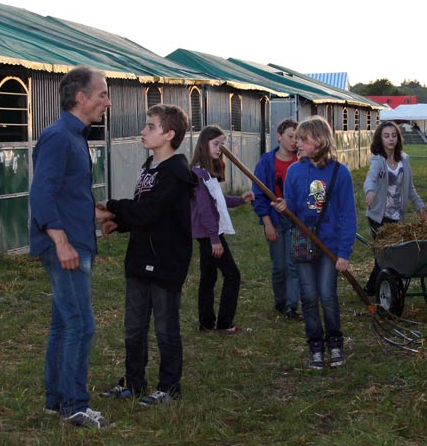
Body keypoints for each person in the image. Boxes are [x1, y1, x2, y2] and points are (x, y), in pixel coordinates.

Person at [29, 67, 115, 428]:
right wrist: (61, 241)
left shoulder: (75, 135)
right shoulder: (59, 136)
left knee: (64, 324)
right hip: (66, 247)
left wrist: (94, 213)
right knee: (81, 324)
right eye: (102, 95)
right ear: (81, 98)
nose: (107, 103)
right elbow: (41, 193)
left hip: (76, 239)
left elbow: (64, 191)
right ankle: (75, 406)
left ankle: (56, 399)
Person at [98, 104, 196, 407]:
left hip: (166, 262)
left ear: (169, 134)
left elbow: (152, 210)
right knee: (134, 327)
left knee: (166, 328)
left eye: (150, 126)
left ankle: (168, 388)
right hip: (139, 260)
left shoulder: (177, 173)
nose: (143, 131)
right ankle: (133, 382)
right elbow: (145, 212)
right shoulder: (149, 168)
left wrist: (112, 206)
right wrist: (122, 223)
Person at [272, 116, 356, 369]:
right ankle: (315, 345)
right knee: (308, 296)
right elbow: (293, 211)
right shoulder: (295, 171)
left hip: (330, 246)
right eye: (296, 138)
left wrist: (344, 252)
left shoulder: (340, 173)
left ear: (319, 140)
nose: (297, 142)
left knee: (327, 295)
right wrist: (284, 208)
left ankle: (335, 342)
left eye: (303, 138)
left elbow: (348, 214)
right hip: (304, 243)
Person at [190, 125, 255, 333]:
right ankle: (224, 323)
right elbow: (204, 209)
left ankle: (206, 322)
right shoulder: (198, 174)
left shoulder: (207, 173)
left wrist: (240, 200)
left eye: (222, 144)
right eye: (216, 144)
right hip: (209, 234)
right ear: (204, 144)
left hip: (206, 233)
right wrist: (214, 239)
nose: (220, 148)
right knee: (232, 275)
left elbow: (217, 200)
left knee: (208, 276)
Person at [362, 121, 427, 296]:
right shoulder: (378, 160)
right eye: (386, 136)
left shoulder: (404, 160)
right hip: (378, 215)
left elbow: (410, 187)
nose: (391, 139)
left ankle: (376, 286)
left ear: (398, 138)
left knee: (390, 253)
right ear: (380, 139)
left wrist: (419, 206)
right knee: (385, 254)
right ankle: (374, 287)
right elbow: (371, 179)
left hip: (396, 215)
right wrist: (369, 192)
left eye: (394, 135)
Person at [251, 118, 300, 319]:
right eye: (290, 136)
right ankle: (280, 301)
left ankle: (292, 305)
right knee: (279, 266)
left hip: (296, 221)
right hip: (276, 220)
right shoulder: (266, 162)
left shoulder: (302, 161)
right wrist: (267, 223)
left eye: (298, 138)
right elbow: (259, 195)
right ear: (279, 137)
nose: (294, 141)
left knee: (293, 265)